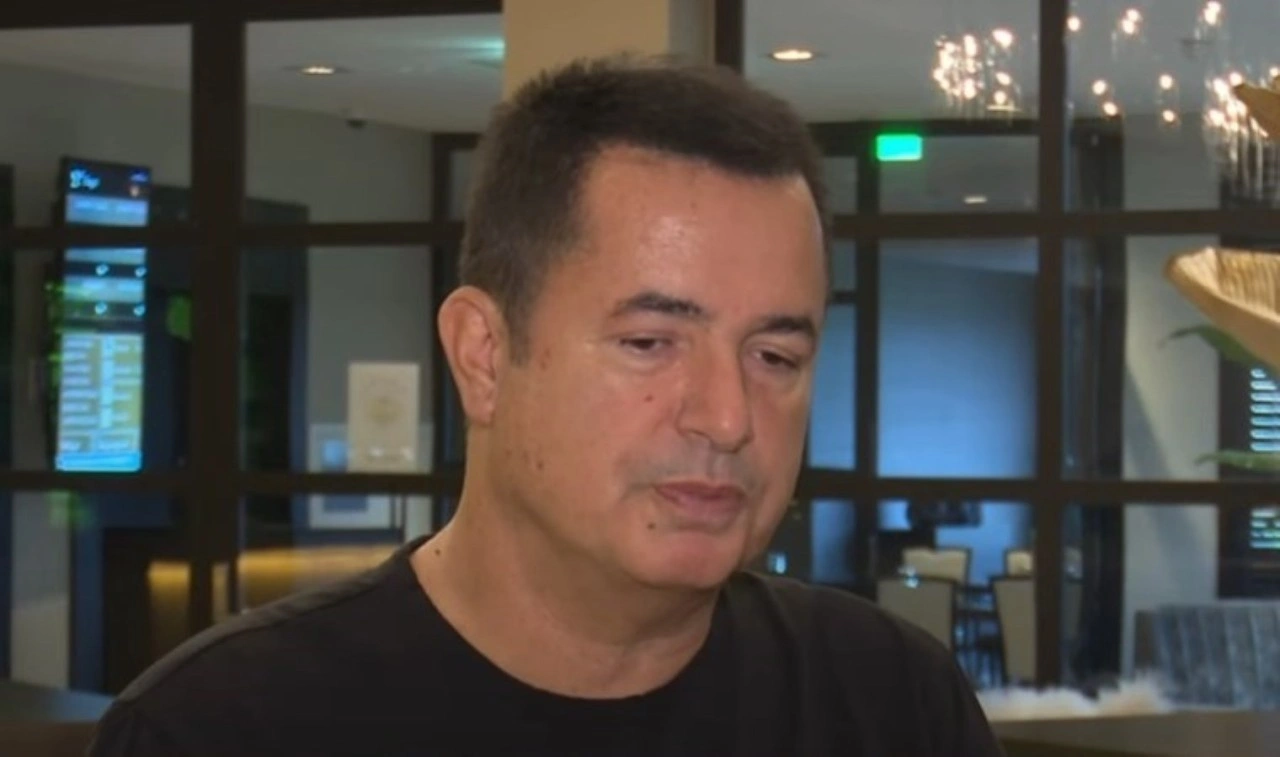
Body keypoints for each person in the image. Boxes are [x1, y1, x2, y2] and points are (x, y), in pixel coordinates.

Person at [89, 55, 1004, 756]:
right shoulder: (222, 727)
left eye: (774, 356)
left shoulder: (894, 704)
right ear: (483, 356)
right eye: (650, 342)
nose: (727, 417)